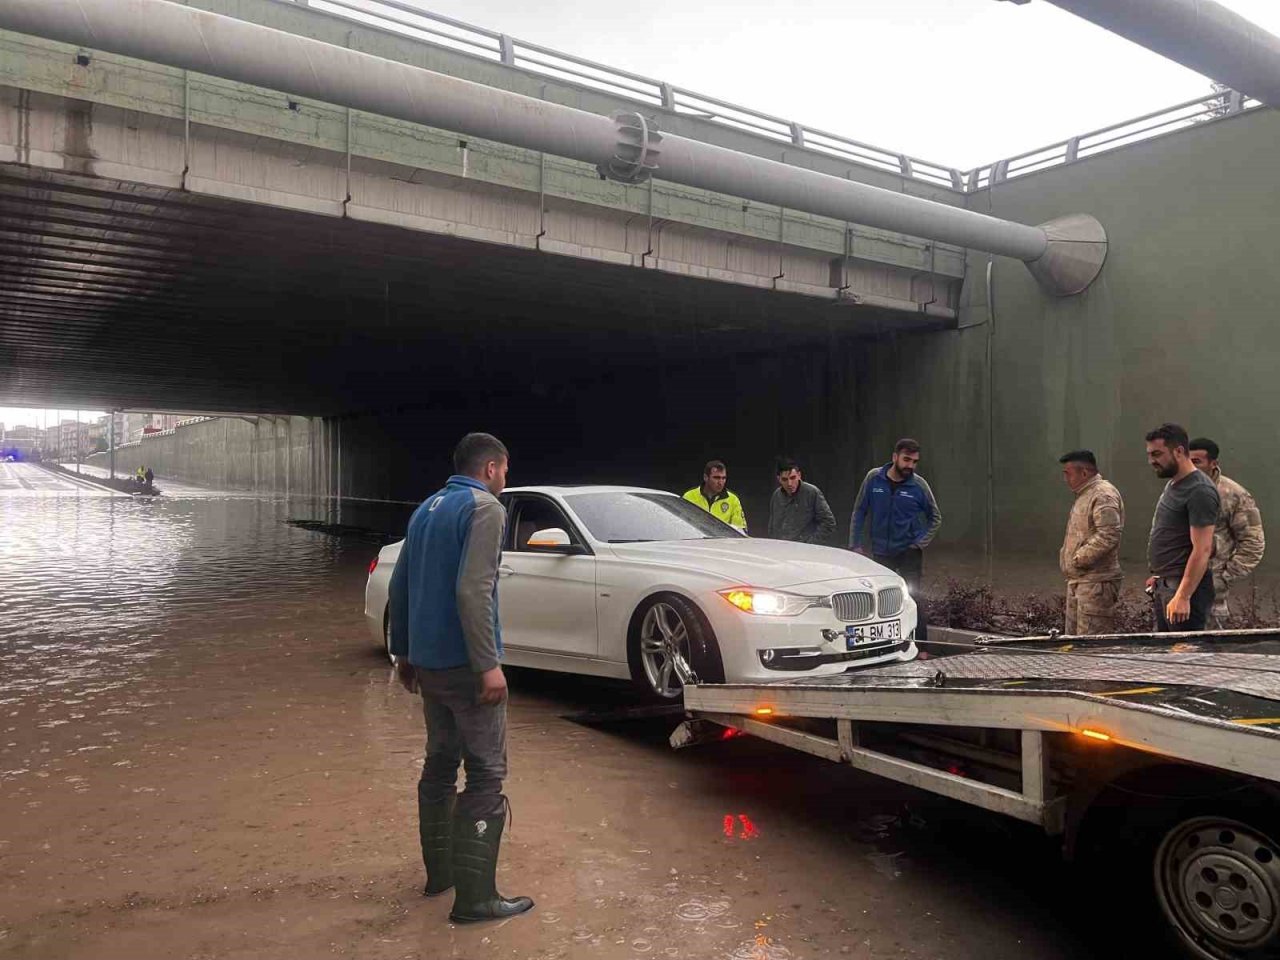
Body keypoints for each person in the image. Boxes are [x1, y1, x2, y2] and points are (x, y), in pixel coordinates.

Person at [387, 432, 533, 923]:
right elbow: (476, 590)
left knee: (440, 763)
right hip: (466, 666)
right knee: (488, 773)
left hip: (428, 664)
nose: (504, 480)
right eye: (505, 471)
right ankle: (476, 900)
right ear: (492, 467)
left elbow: (401, 582)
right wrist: (488, 663)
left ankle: (440, 876)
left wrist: (403, 653)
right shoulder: (485, 509)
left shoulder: (427, 507)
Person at [848, 439, 942, 644]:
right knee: (880, 599)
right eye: (906, 459)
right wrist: (854, 544)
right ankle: (882, 644)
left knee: (914, 597)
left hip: (909, 552)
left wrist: (919, 543)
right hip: (881, 552)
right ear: (894, 457)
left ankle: (921, 646)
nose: (910, 465)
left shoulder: (919, 485)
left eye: (915, 461)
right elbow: (860, 511)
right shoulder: (873, 479)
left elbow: (935, 517)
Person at [1145, 423, 1220, 632]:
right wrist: (1160, 574)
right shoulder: (1174, 484)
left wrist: (1183, 596)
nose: (1152, 461)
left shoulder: (1200, 490)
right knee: (1165, 659)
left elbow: (1202, 549)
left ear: (1178, 451)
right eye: (1150, 454)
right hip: (1166, 584)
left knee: (1184, 660)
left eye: (1157, 454)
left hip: (1184, 590)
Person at [1190, 437, 1266, 628]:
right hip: (1176, 585)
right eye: (1187, 461)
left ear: (1213, 463)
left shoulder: (1233, 495)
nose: (1191, 467)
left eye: (1197, 462)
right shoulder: (1179, 489)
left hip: (1211, 593)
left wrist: (1225, 576)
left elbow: (1253, 542)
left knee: (1209, 653)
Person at [1057, 450, 1125, 635]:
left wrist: (1079, 559)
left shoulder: (1103, 494)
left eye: (1068, 473)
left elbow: (1109, 534)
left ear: (1084, 473)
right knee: (1072, 643)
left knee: (1091, 647)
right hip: (1080, 581)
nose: (1066, 479)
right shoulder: (1085, 494)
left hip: (1096, 583)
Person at [768, 458, 836, 544]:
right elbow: (772, 526)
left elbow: (828, 522)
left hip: (805, 550)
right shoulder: (777, 495)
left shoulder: (811, 492)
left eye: (793, 478)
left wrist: (810, 544)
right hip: (782, 549)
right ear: (779, 479)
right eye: (785, 479)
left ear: (799, 475)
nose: (789, 483)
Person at [683, 460, 747, 532]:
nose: (720, 482)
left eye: (723, 478)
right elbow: (682, 525)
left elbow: (740, 530)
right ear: (705, 477)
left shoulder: (733, 499)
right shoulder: (689, 497)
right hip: (696, 541)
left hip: (722, 542)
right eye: (716, 478)